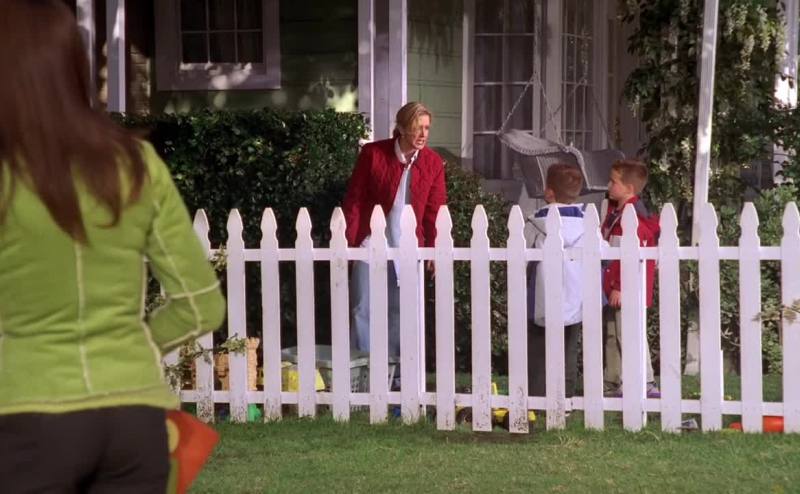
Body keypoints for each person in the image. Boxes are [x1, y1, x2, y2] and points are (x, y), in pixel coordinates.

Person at [0, 1, 226, 492]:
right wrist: (133, 343)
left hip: (27, 414)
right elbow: (201, 306)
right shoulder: (136, 163)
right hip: (137, 420)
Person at [342, 102, 447, 368]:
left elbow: (435, 210)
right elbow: (355, 199)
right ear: (401, 128)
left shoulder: (433, 162)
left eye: (426, 128)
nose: (422, 134)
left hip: (408, 248)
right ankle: (363, 372)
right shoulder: (373, 154)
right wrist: (349, 243)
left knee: (399, 312)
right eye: (416, 128)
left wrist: (434, 249)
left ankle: (396, 375)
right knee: (362, 308)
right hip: (369, 243)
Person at [601, 159, 660, 398]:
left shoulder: (633, 216)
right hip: (612, 287)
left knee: (629, 334)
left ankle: (645, 381)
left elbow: (629, 257)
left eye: (613, 182)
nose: (609, 186)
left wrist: (619, 286)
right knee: (613, 334)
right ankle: (613, 380)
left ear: (629, 188)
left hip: (627, 289)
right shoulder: (616, 212)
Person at [527, 164, 586, 399]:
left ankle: (537, 396)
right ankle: (566, 396)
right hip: (574, 298)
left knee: (538, 349)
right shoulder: (586, 223)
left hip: (541, 298)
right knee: (569, 350)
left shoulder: (535, 224)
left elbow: (523, 257)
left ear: (549, 192)